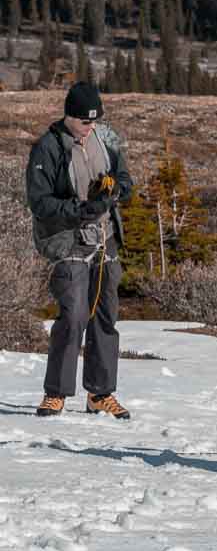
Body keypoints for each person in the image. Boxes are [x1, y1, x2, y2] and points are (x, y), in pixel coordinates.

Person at [26, 82, 134, 418]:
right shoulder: (47, 148)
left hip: (105, 237)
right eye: (85, 122)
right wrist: (80, 209)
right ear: (69, 117)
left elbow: (127, 180)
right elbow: (40, 203)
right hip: (66, 238)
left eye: (95, 121)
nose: (91, 127)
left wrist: (115, 189)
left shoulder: (108, 137)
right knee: (73, 314)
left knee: (105, 315)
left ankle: (100, 394)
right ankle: (56, 393)